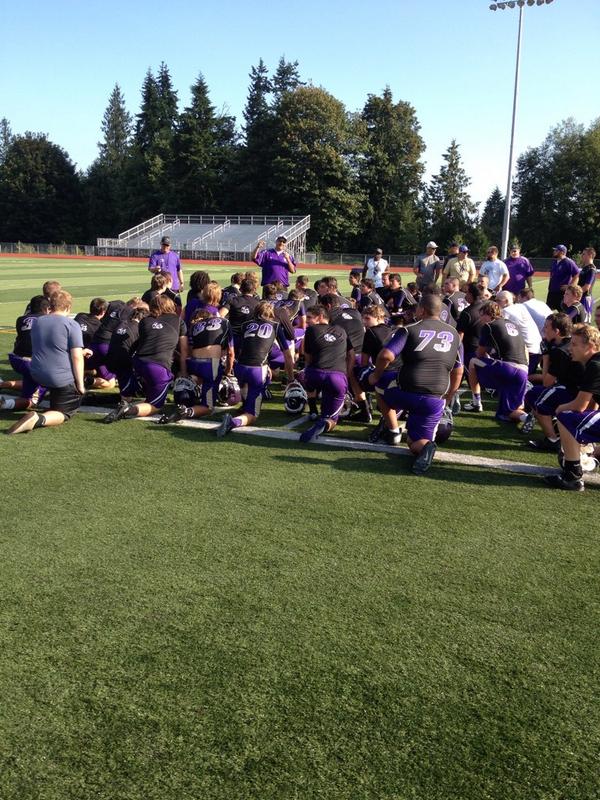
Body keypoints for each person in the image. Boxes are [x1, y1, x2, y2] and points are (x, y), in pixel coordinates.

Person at [368, 293, 461, 474]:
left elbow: (386, 355)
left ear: (422, 309)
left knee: (379, 385)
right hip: (435, 396)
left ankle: (394, 430)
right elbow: (458, 370)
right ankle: (426, 448)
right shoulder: (454, 334)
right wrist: (448, 397)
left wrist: (375, 374)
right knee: (415, 443)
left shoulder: (410, 329)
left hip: (407, 390)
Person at [7, 291, 86, 434]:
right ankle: (38, 419)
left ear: (50, 306)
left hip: (36, 372)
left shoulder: (38, 322)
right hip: (58, 377)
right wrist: (80, 385)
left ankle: (8, 403)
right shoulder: (71, 324)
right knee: (64, 412)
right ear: (68, 307)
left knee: (38, 394)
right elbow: (77, 357)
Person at [102, 295, 188, 423]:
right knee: (156, 406)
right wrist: (184, 371)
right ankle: (127, 410)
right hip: (158, 366)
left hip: (139, 362)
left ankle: (133, 397)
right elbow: (184, 350)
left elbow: (145, 341)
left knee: (151, 387)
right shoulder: (178, 320)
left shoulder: (144, 321)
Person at [216, 301, 294, 437]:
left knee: (248, 386)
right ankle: (233, 422)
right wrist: (291, 378)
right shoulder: (275, 326)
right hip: (257, 370)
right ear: (271, 314)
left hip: (240, 367)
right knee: (253, 415)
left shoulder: (245, 325)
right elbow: (287, 355)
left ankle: (245, 404)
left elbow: (239, 347)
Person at [544, 324, 600, 491]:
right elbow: (592, 404)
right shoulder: (594, 362)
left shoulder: (595, 365)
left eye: (574, 344)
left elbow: (580, 405)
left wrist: (560, 408)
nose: (570, 348)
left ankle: (572, 475)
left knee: (565, 416)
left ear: (590, 347)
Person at [159, 307, 234, 424]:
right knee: (208, 406)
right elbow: (230, 353)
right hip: (211, 365)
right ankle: (188, 411)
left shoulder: (195, 326)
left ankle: (188, 392)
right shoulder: (225, 322)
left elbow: (189, 351)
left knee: (197, 378)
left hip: (194, 364)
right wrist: (228, 372)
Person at [526, 313, 583, 451]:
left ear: (557, 331)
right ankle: (555, 425)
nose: (544, 330)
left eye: (546, 327)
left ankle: (552, 439)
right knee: (535, 392)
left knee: (536, 398)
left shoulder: (560, 351)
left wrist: (545, 357)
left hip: (573, 390)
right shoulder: (562, 343)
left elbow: (547, 382)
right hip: (578, 388)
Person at [465, 301, 529, 423]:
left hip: (507, 368)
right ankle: (526, 417)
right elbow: (524, 348)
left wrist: (491, 356)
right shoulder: (513, 324)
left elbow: (479, 354)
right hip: (523, 370)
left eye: (481, 315)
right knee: (508, 412)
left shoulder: (489, 326)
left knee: (473, 361)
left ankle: (476, 402)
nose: (481, 319)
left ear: (488, 314)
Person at [298, 305, 354, 443]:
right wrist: (346, 374)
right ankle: (324, 424)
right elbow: (351, 355)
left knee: (310, 379)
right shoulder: (342, 330)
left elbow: (308, 356)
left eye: (310, 317)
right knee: (332, 419)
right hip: (337, 377)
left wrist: (308, 371)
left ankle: (313, 411)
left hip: (315, 374)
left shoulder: (311, 330)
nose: (308, 321)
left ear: (321, 317)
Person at [0, 295, 50, 411]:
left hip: (15, 359)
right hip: (32, 363)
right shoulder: (47, 321)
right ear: (46, 308)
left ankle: (3, 385)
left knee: (30, 384)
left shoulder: (20, 320)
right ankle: (4, 404)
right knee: (33, 399)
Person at [495, 290, 542, 374]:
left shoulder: (506, 311)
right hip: (537, 349)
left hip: (528, 352)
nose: (496, 303)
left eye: (498, 300)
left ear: (506, 301)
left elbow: (500, 332)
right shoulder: (520, 307)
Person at [546, 244, 579, 310]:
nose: (554, 251)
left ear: (562, 252)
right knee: (547, 311)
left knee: (563, 314)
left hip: (562, 294)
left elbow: (576, 275)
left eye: (556, 250)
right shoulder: (555, 261)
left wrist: (570, 286)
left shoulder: (569, 262)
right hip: (552, 292)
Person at [577, 247, 597, 322]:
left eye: (584, 254)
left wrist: (574, 294)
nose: (582, 256)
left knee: (584, 322)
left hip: (585, 298)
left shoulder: (591, 269)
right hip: (580, 296)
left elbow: (586, 287)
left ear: (590, 255)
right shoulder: (585, 268)